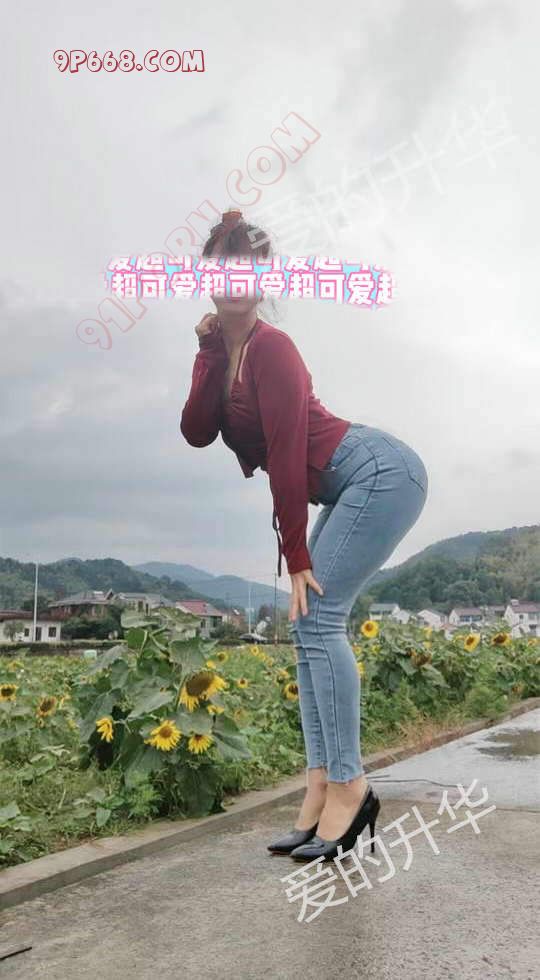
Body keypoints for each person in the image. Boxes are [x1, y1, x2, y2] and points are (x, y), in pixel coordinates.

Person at [180, 209, 429, 861]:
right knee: (306, 626)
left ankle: (350, 786)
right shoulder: (225, 353)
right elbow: (196, 430)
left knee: (320, 617)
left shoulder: (273, 348)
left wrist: (296, 554)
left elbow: (289, 453)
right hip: (350, 482)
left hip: (381, 472)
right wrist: (207, 352)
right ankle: (320, 785)